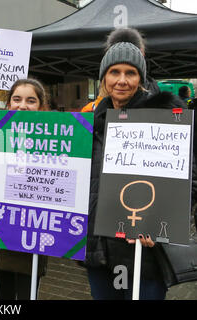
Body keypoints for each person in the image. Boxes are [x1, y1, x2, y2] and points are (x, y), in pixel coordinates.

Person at [83, 41, 188, 300]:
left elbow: (189, 179)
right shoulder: (91, 123)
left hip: (145, 252)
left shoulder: (165, 118)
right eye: (114, 72)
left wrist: (158, 222)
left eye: (130, 73)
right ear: (103, 78)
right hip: (100, 250)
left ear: (140, 78)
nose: (122, 80)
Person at [0, 78, 50, 300]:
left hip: (34, 230)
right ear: (8, 104)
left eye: (30, 100)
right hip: (3, 230)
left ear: (41, 106)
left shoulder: (58, 137)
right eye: (16, 99)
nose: (22, 105)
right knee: (4, 296)